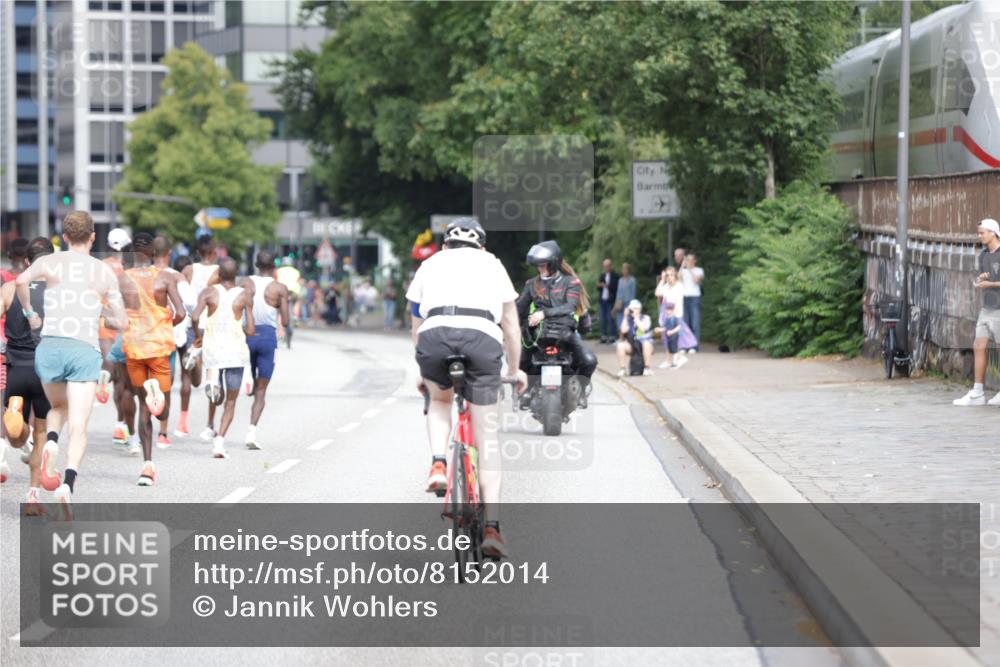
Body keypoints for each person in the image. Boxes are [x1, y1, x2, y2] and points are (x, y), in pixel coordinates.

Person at [406, 217, 527, 559]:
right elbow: (511, 327)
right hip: (482, 339)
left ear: (445, 246)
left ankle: (439, 463)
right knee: (487, 435)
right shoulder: (493, 265)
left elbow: (417, 325)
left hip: (434, 338)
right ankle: (492, 528)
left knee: (440, 401)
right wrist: (515, 370)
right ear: (482, 247)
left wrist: (424, 371)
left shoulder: (429, 264)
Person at [15, 211, 128, 515]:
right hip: (83, 349)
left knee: (57, 409)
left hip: (50, 346)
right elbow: (122, 321)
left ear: (64, 237)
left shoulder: (49, 262)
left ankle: (51, 440)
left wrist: (30, 314)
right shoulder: (104, 273)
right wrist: (100, 314)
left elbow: (21, 281)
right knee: (78, 426)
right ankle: (67, 483)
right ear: (93, 237)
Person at [119, 234, 184, 485]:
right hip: (158, 348)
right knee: (161, 410)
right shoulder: (165, 278)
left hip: (134, 348)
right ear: (154, 253)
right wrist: (165, 323)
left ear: (133, 252)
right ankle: (156, 392)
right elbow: (180, 313)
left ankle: (147, 466)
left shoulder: (123, 279)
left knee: (143, 404)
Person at [1, 238, 54, 512]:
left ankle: (17, 421)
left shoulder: (10, 288)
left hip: (15, 367)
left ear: (26, 261)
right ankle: (33, 496)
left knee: (16, 437)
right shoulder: (60, 291)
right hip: (45, 370)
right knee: (41, 433)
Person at [516, 240, 597, 408]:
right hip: (538, 335)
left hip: (564, 333)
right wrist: (512, 323)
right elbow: (519, 309)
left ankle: (580, 390)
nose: (540, 269)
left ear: (554, 263)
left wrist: (543, 313)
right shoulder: (532, 284)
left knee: (589, 360)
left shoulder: (571, 282)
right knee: (519, 361)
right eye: (538, 266)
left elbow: (569, 307)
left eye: (543, 265)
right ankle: (526, 391)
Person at [192, 258, 254, 458]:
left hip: (213, 350)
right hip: (235, 352)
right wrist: (243, 327)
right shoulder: (244, 295)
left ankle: (213, 386)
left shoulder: (209, 292)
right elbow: (251, 329)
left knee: (216, 391)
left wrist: (199, 337)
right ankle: (219, 442)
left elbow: (194, 317)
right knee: (231, 402)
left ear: (218, 274)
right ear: (236, 275)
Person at [240, 250, 290, 450]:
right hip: (268, 338)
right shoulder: (279, 288)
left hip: (247, 334)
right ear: (274, 266)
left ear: (255, 264)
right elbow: (285, 321)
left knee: (249, 376)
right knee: (262, 391)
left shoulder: (245, 283)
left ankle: (248, 377)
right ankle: (251, 431)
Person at [954, 218, 1000, 406]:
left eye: (982, 232)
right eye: (979, 232)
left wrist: (990, 283)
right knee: (979, 345)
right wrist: (981, 278)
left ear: (993, 233)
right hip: (987, 308)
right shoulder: (983, 255)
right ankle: (978, 393)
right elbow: (987, 275)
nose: (979, 236)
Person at [100, 228, 137, 451]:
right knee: (127, 381)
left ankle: (118, 423)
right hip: (127, 325)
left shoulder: (101, 266)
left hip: (106, 324)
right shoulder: (130, 269)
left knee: (115, 377)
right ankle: (124, 422)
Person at [151, 237, 189, 445]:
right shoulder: (176, 276)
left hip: (142, 337)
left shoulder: (141, 275)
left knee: (140, 383)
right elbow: (188, 305)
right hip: (167, 338)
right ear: (170, 253)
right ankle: (162, 434)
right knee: (166, 384)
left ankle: (136, 431)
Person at [170, 254, 201, 437]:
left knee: (165, 376)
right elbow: (192, 307)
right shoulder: (183, 283)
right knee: (187, 378)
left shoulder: (166, 278)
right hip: (183, 329)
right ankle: (182, 422)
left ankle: (160, 421)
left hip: (165, 330)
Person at [616, 299, 655, 377]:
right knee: (620, 346)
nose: (633, 311)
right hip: (632, 343)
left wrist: (636, 318)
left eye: (635, 308)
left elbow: (643, 329)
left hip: (643, 343)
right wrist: (625, 317)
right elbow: (623, 330)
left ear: (639, 309)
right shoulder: (628, 319)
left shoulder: (645, 318)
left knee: (646, 344)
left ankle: (647, 368)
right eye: (632, 309)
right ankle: (622, 369)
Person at [680, 253, 704, 352]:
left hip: (695, 298)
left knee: (695, 322)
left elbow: (696, 280)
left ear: (695, 260)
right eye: (687, 260)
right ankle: (685, 345)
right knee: (685, 323)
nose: (688, 262)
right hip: (685, 298)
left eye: (690, 260)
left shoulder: (699, 270)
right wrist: (682, 266)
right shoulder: (683, 271)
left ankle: (694, 346)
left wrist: (689, 269)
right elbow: (677, 278)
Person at [596, 258, 620, 345]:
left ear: (611, 266)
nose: (605, 268)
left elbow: (616, 288)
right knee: (602, 318)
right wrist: (600, 285)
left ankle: (613, 336)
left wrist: (606, 286)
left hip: (611, 300)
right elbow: (598, 287)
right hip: (602, 300)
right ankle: (603, 336)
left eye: (607, 266)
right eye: (604, 266)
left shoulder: (615, 276)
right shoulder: (602, 275)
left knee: (610, 318)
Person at [658, 302, 684, 370]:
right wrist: (660, 329)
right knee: (669, 350)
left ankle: (675, 363)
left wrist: (672, 332)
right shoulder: (667, 319)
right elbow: (665, 328)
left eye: (670, 310)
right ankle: (670, 362)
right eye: (668, 309)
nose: (669, 311)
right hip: (668, 337)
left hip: (674, 336)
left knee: (674, 350)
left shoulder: (675, 318)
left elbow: (679, 327)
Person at [614, 262, 636, 329]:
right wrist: (616, 304)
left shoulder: (632, 280)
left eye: (626, 269)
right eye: (623, 269)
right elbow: (618, 292)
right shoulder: (620, 280)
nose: (624, 270)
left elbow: (633, 293)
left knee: (628, 319)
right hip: (620, 302)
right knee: (619, 318)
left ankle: (628, 335)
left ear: (629, 270)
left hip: (629, 302)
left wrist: (632, 305)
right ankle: (621, 336)